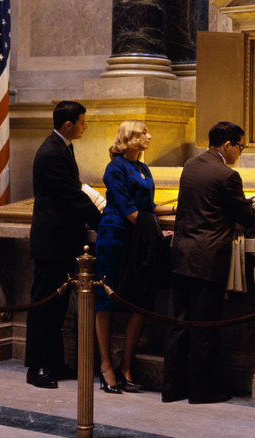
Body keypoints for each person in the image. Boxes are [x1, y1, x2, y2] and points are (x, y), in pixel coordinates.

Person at [162, 121, 255, 404]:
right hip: (207, 259)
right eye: (240, 146)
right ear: (227, 145)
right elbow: (245, 216)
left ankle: (172, 388)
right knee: (204, 327)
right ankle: (200, 391)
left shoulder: (191, 165)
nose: (240, 152)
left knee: (177, 323)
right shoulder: (228, 175)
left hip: (181, 255)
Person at [25, 101, 102, 389]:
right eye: (83, 122)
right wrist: (101, 220)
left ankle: (54, 362)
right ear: (68, 124)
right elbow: (70, 196)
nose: (85, 126)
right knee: (44, 304)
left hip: (62, 240)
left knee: (56, 308)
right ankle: (37, 367)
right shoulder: (51, 152)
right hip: (51, 242)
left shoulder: (61, 147)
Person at [95, 120, 174, 394]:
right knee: (106, 300)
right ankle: (106, 366)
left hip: (137, 237)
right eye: (143, 133)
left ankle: (125, 367)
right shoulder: (115, 167)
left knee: (141, 302)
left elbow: (147, 207)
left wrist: (177, 210)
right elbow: (128, 210)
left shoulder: (142, 167)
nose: (149, 136)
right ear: (128, 139)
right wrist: (156, 229)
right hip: (115, 237)